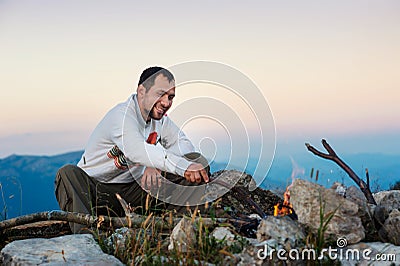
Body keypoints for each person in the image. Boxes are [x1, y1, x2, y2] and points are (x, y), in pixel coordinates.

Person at [55, 66, 210, 233]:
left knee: (196, 161)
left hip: (136, 191)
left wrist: (156, 166)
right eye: (160, 94)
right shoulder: (121, 117)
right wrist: (173, 165)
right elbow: (135, 149)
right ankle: (87, 236)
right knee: (67, 173)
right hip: (99, 191)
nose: (166, 103)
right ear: (141, 91)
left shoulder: (160, 120)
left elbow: (183, 145)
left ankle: (175, 227)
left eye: (170, 97)